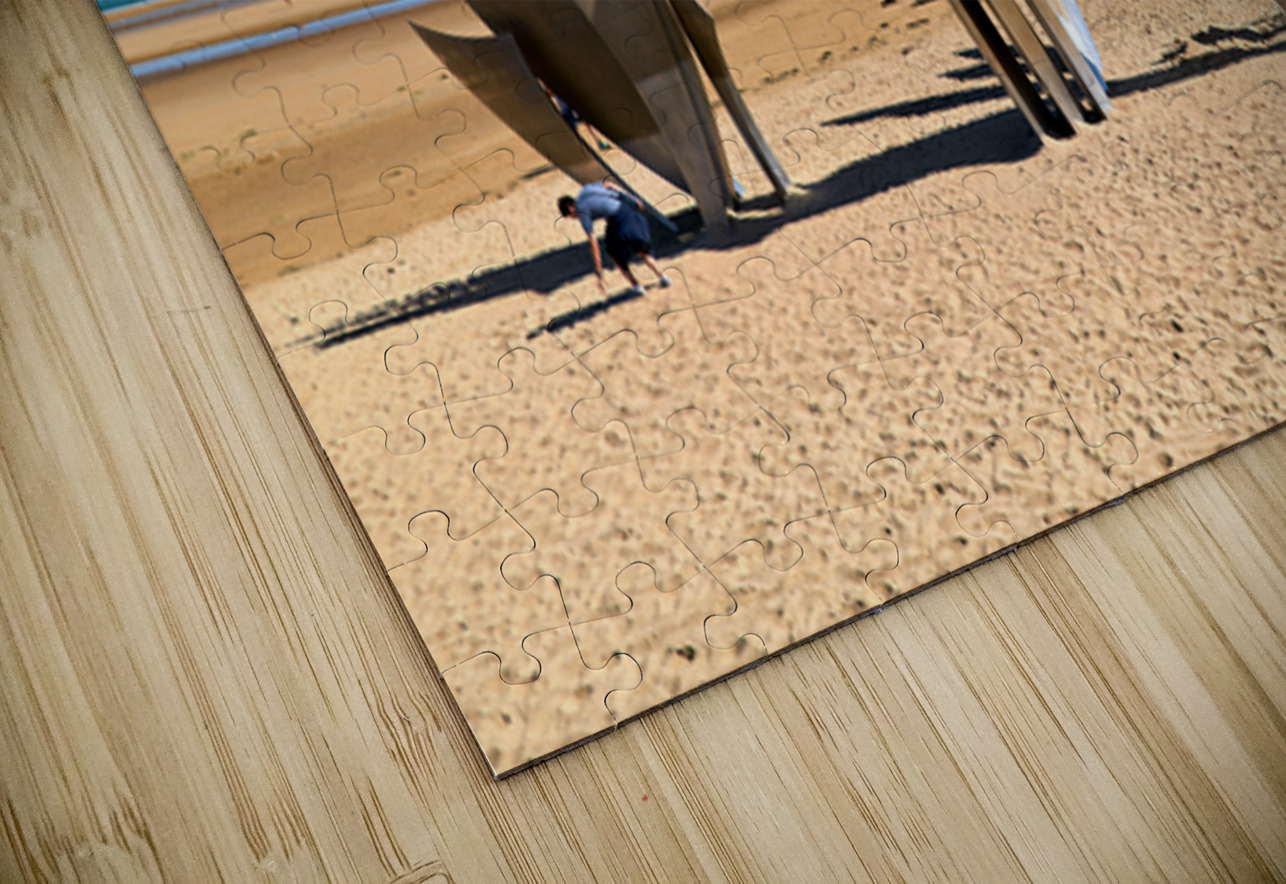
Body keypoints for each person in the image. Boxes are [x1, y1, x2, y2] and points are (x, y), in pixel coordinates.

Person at [558, 182, 672, 297]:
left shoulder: (581, 211)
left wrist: (599, 273)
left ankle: (637, 286)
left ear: (571, 208)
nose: (574, 218)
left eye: (571, 215)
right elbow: (609, 185)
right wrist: (633, 200)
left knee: (614, 253)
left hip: (620, 220)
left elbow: (593, 243)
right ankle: (663, 277)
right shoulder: (586, 190)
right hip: (629, 212)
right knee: (641, 249)